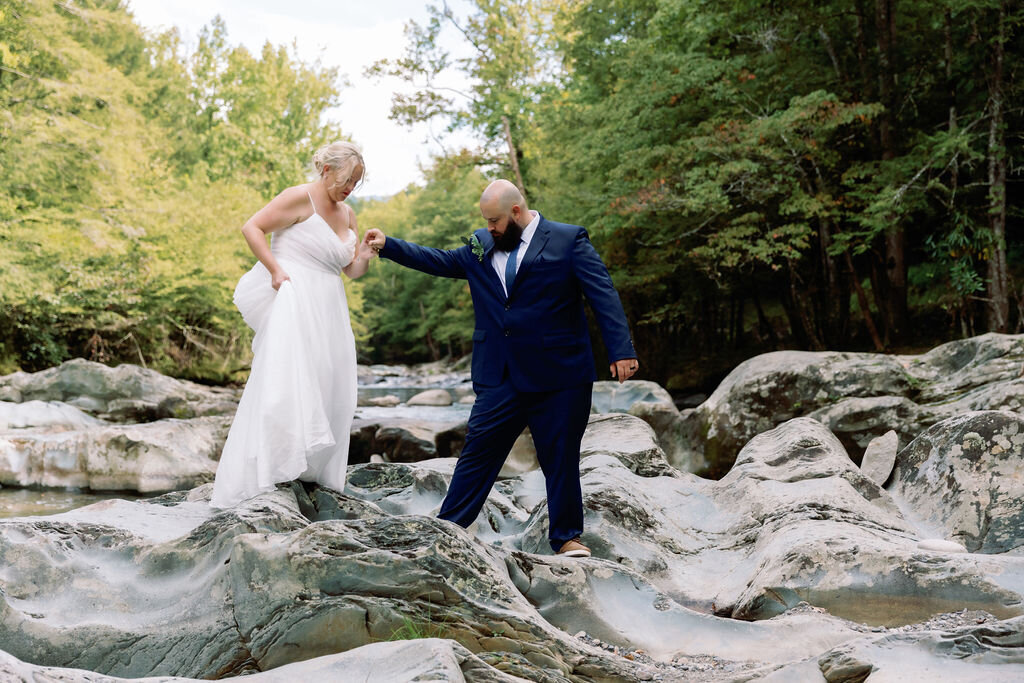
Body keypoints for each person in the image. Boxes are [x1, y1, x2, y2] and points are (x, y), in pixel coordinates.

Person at [363, 180, 639, 557]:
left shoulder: (567, 240)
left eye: (494, 220)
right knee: (477, 452)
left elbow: (602, 291)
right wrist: (390, 246)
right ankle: (449, 529)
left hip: (559, 374)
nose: (488, 228)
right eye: (485, 221)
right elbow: (441, 261)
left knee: (559, 457)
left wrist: (620, 350)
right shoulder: (481, 244)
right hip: (500, 375)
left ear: (516, 211)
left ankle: (567, 539)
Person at [210, 142, 376, 508]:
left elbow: (350, 270)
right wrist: (274, 269)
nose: (349, 189)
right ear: (327, 170)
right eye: (346, 180)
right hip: (295, 297)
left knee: (330, 382)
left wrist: (365, 252)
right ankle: (272, 470)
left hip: (330, 307)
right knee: (288, 381)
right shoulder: (299, 198)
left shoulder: (348, 214)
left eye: (356, 183)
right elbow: (252, 227)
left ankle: (312, 473)